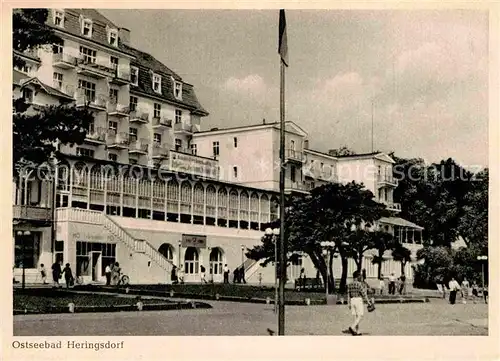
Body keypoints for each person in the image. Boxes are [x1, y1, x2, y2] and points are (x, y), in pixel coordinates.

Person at [343, 270, 374, 336]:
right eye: (360, 275)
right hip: (358, 300)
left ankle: (357, 331)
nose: (361, 277)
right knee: (360, 316)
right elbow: (364, 294)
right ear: (357, 276)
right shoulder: (359, 284)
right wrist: (368, 302)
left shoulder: (349, 284)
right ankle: (352, 327)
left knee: (356, 316)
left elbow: (348, 294)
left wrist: (348, 303)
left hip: (352, 300)